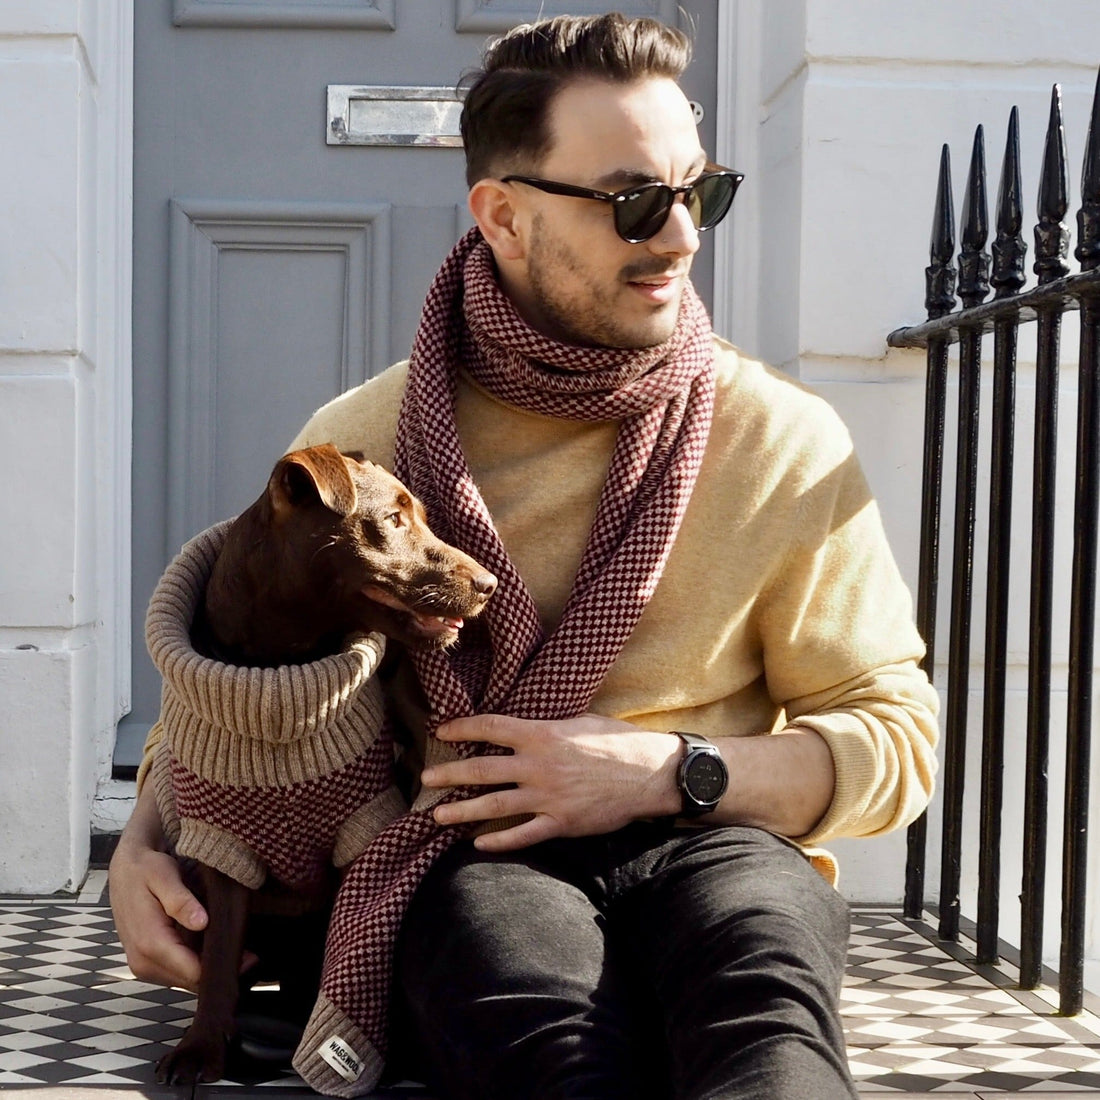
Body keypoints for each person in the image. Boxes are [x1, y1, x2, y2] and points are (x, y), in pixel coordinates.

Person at [110, 12, 939, 1099]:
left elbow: (895, 737)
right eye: (634, 201)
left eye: (701, 193)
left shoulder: (778, 436)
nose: (682, 236)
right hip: (477, 847)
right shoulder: (371, 443)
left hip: (716, 829)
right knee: (535, 1042)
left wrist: (669, 768)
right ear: (500, 216)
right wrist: (138, 848)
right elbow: (240, 680)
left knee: (767, 1036)